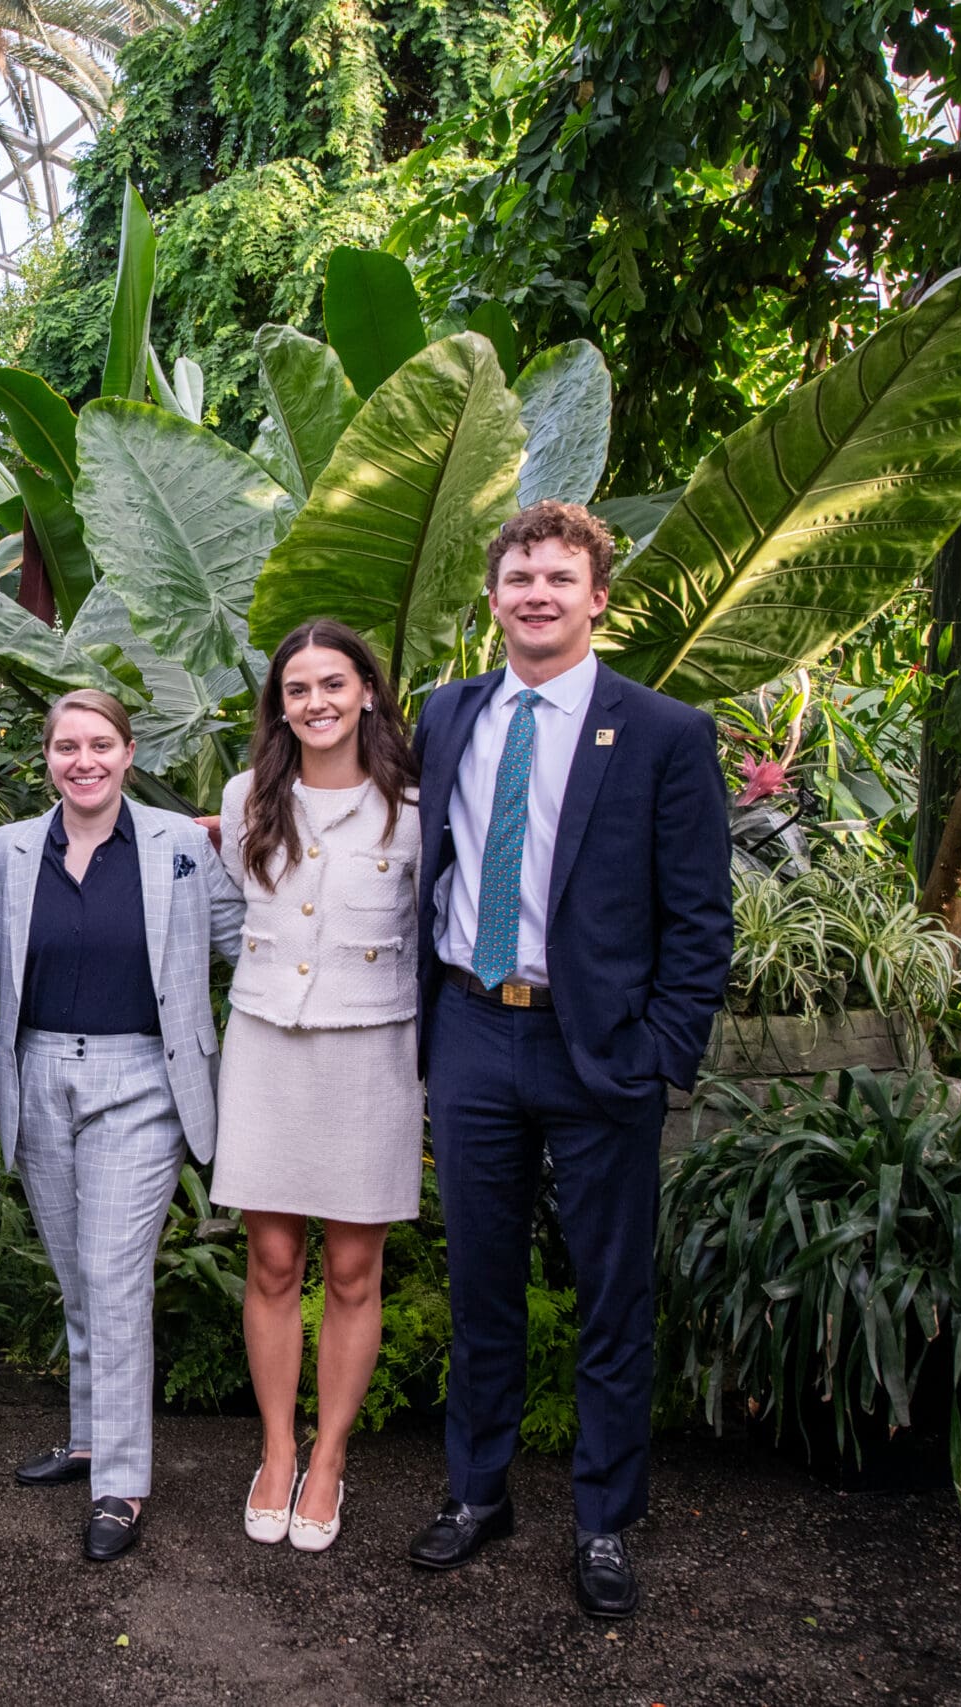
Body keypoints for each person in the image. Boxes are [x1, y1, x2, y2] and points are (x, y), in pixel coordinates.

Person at [405, 500, 731, 1619]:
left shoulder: (663, 732)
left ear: (597, 597)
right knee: (480, 1284)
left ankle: (603, 1520)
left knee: (611, 1297)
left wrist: (658, 1052)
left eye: (558, 578)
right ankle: (476, 1493)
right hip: (470, 1031)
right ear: (493, 597)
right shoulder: (447, 713)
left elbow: (701, 918)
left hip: (598, 1050)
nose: (536, 594)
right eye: (519, 577)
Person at [0, 691, 244, 1562]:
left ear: (130, 752)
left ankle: (122, 1483)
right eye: (67, 746)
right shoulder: (10, 851)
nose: (83, 760)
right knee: (77, 1274)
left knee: (113, 1272)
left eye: (101, 743)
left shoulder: (180, 844)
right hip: (38, 1072)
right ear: (47, 758)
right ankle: (91, 1437)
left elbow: (246, 944)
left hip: (142, 1077)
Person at [211, 619, 422, 1554]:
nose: (317, 702)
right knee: (270, 1261)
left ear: (367, 691)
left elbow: (427, 931)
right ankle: (275, 1450)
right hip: (267, 1045)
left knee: (351, 1270)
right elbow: (235, 906)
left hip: (370, 1053)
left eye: (333, 683)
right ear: (280, 705)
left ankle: (330, 1457)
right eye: (297, 689)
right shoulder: (247, 798)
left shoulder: (412, 807)